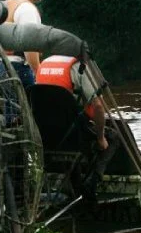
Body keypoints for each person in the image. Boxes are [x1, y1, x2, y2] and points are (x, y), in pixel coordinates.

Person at [35, 55, 119, 204]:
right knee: (112, 137)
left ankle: (75, 189)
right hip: (72, 136)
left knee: (74, 140)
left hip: (45, 138)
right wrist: (100, 138)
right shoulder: (79, 68)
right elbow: (98, 106)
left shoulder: (43, 66)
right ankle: (91, 185)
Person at [0, 0, 52, 88]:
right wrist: (38, 72)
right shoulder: (27, 8)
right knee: (28, 106)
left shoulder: (5, 4)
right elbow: (29, 47)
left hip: (3, 66)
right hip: (19, 69)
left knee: (11, 106)